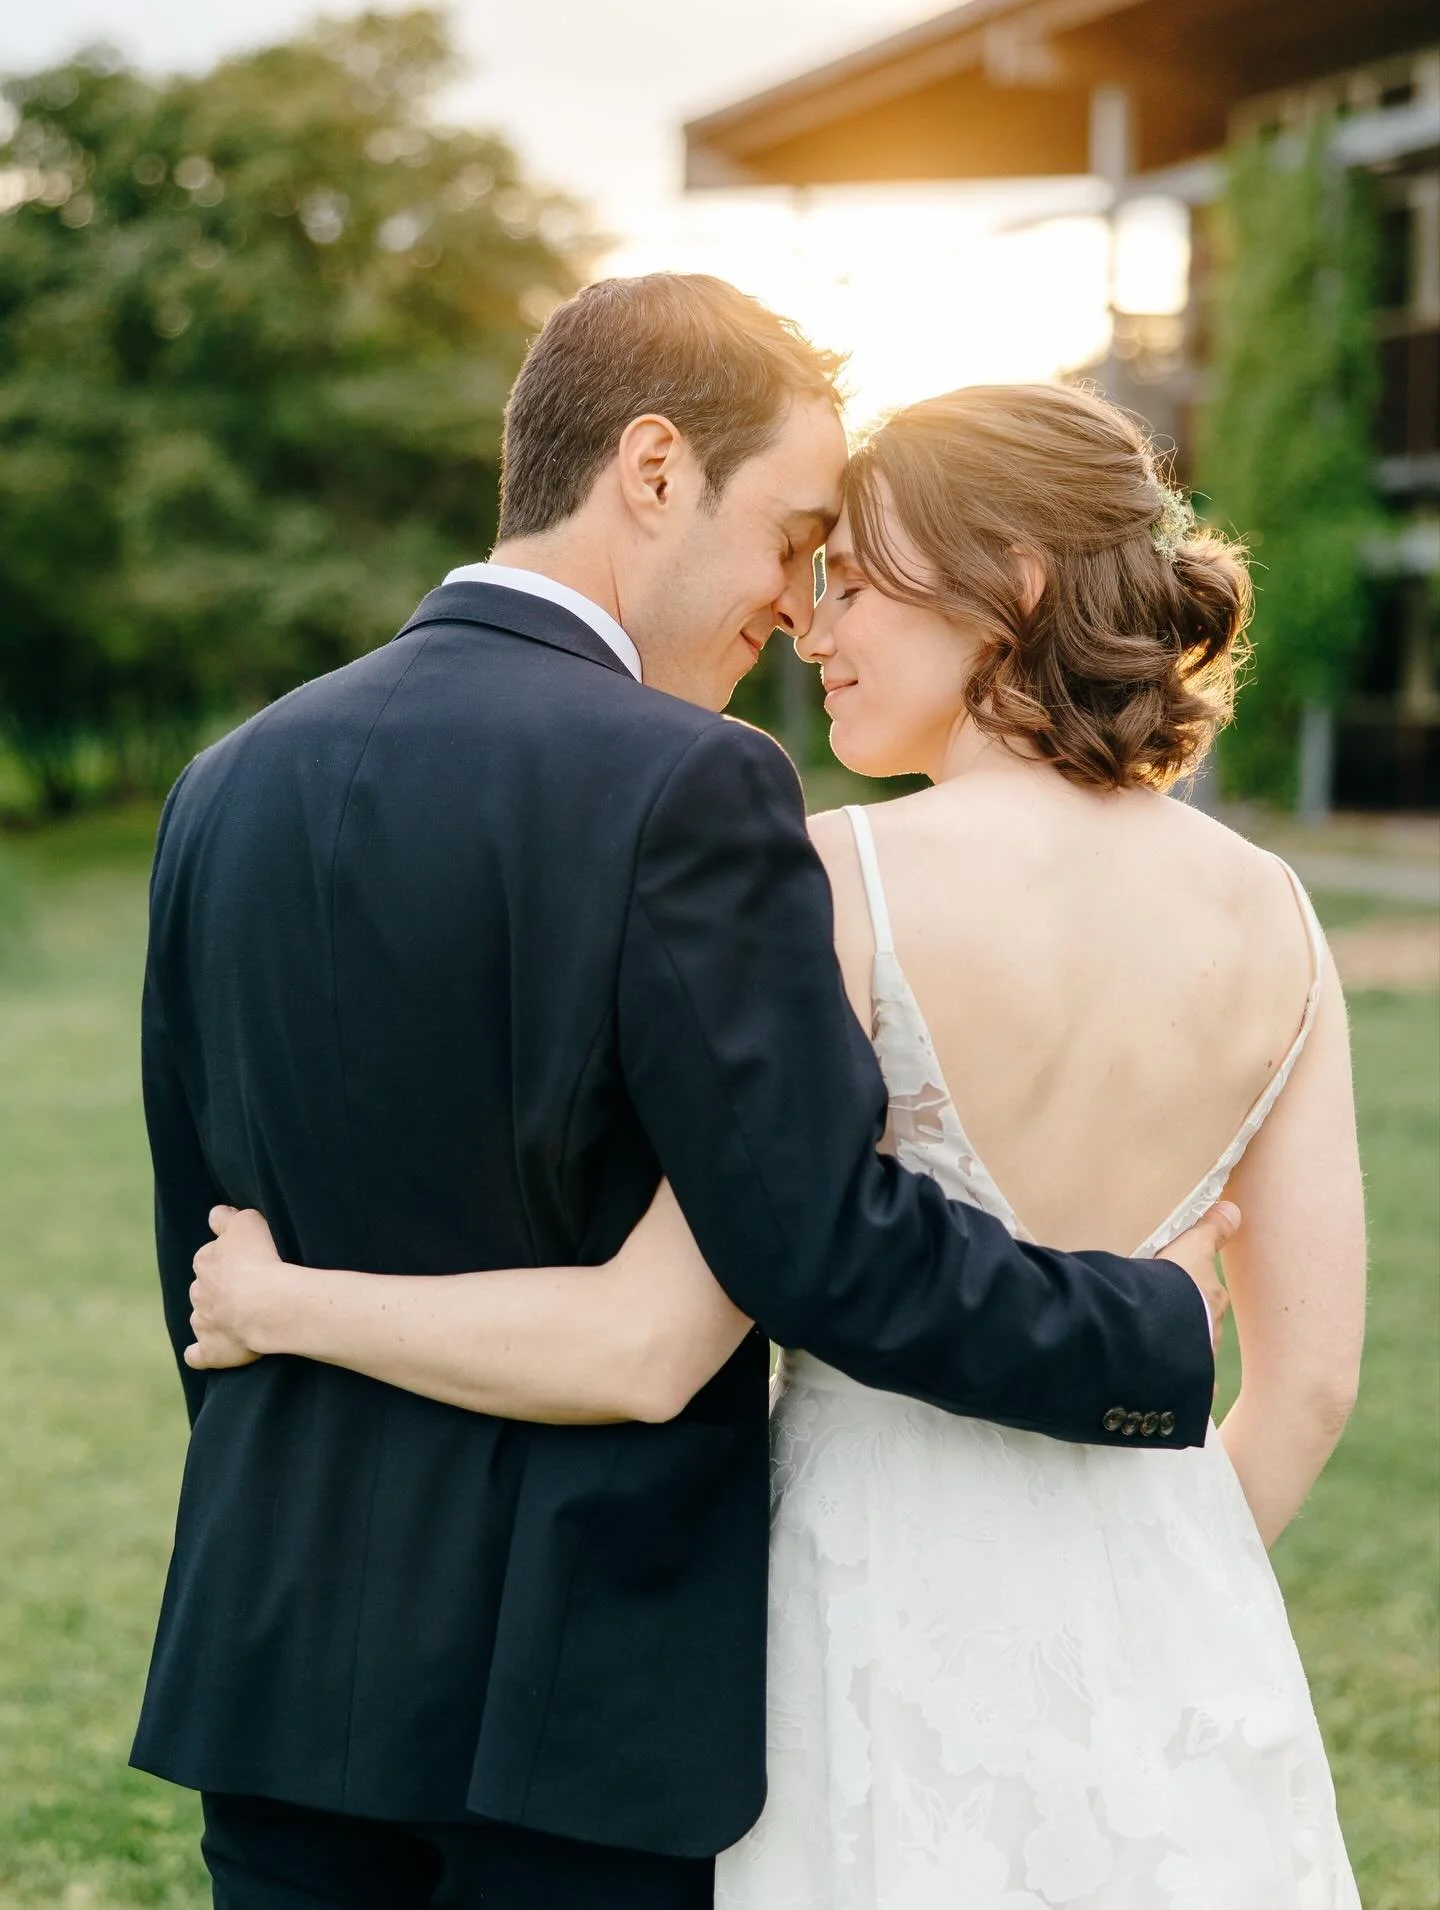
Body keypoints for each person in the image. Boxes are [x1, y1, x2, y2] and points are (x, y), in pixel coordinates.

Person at [187, 381, 1366, 1907]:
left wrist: (284, 1303)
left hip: (859, 1634)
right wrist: (1134, 1600)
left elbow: (655, 1330)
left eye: (855, 582)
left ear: (1008, 582)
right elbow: (1314, 1379)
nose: (812, 628)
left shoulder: (840, 873)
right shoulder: (1276, 911)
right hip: (1174, 1652)